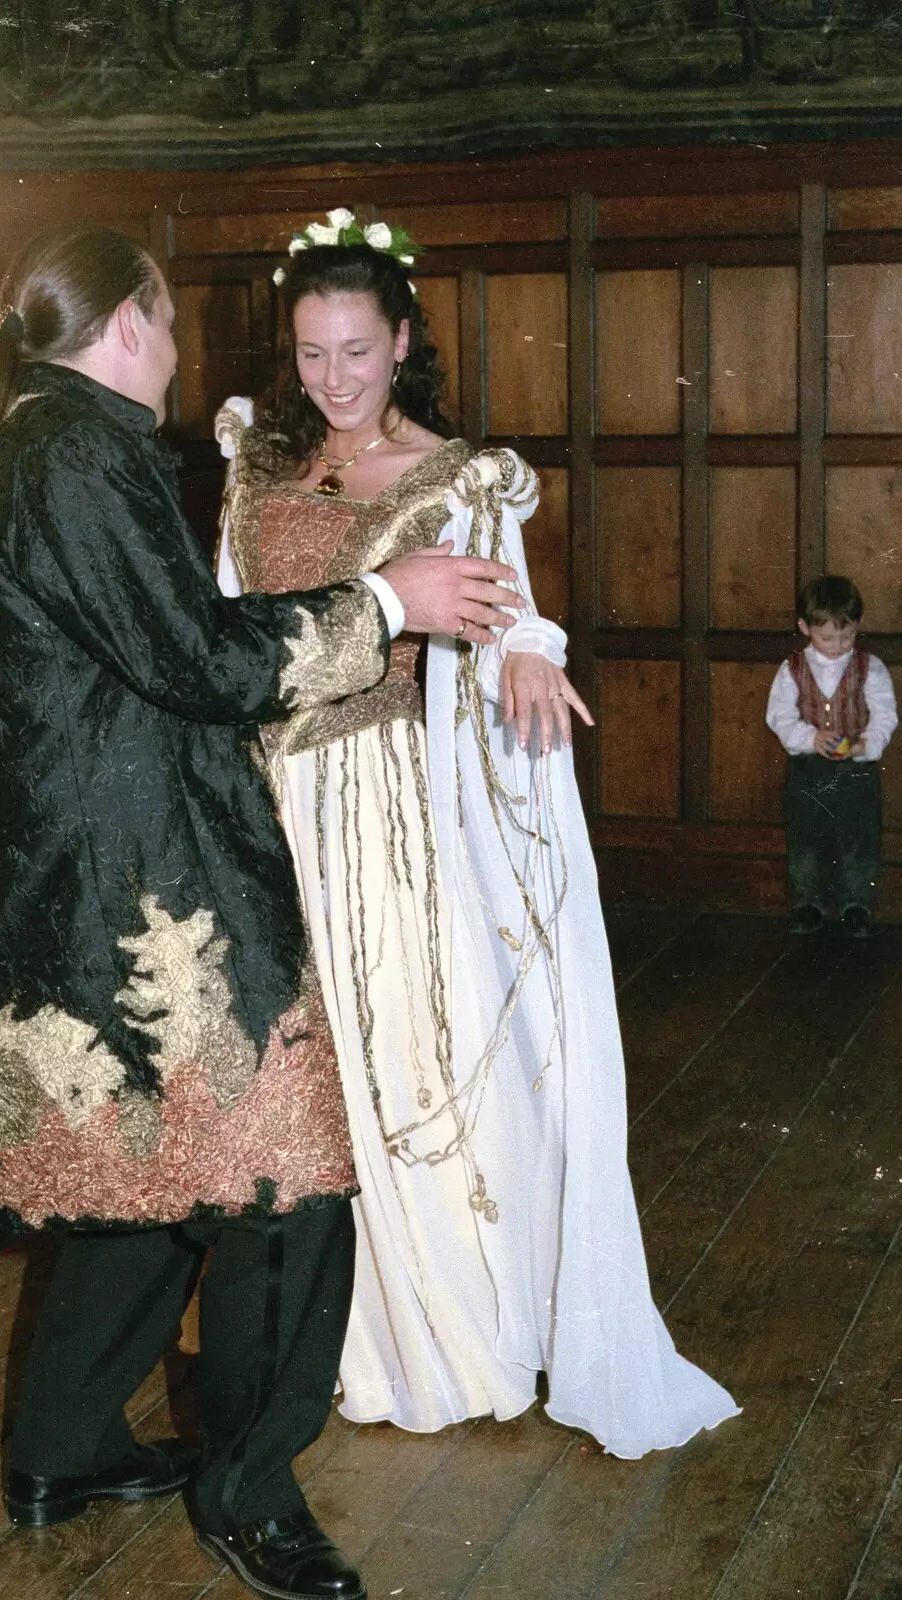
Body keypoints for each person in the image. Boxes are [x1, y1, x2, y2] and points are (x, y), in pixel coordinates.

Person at [0, 224, 524, 1600]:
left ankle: (59, 1448)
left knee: (147, 1186)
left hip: (51, 897)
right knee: (287, 1193)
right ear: (129, 324)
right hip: (141, 904)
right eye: (173, 325)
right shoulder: (72, 457)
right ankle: (249, 1489)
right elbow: (200, 661)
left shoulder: (16, 451)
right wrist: (386, 600)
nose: (182, 352)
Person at [213, 209, 740, 1454]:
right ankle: (305, 1328)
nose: (332, 378)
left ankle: (437, 1327)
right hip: (261, 804)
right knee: (291, 1070)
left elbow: (508, 610)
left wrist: (520, 653)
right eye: (309, 354)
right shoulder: (256, 464)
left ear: (400, 343)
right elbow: (224, 627)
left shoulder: (456, 476)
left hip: (383, 809)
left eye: (354, 350)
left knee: (396, 1057)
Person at [766, 575, 897, 937]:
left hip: (856, 771)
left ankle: (857, 904)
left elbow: (885, 714)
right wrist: (809, 737)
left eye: (848, 636)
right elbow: (778, 715)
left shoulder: (869, 668)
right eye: (827, 638)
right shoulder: (792, 668)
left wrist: (865, 744)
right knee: (807, 837)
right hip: (808, 769)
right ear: (805, 627)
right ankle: (809, 902)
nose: (838, 646)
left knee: (859, 836)